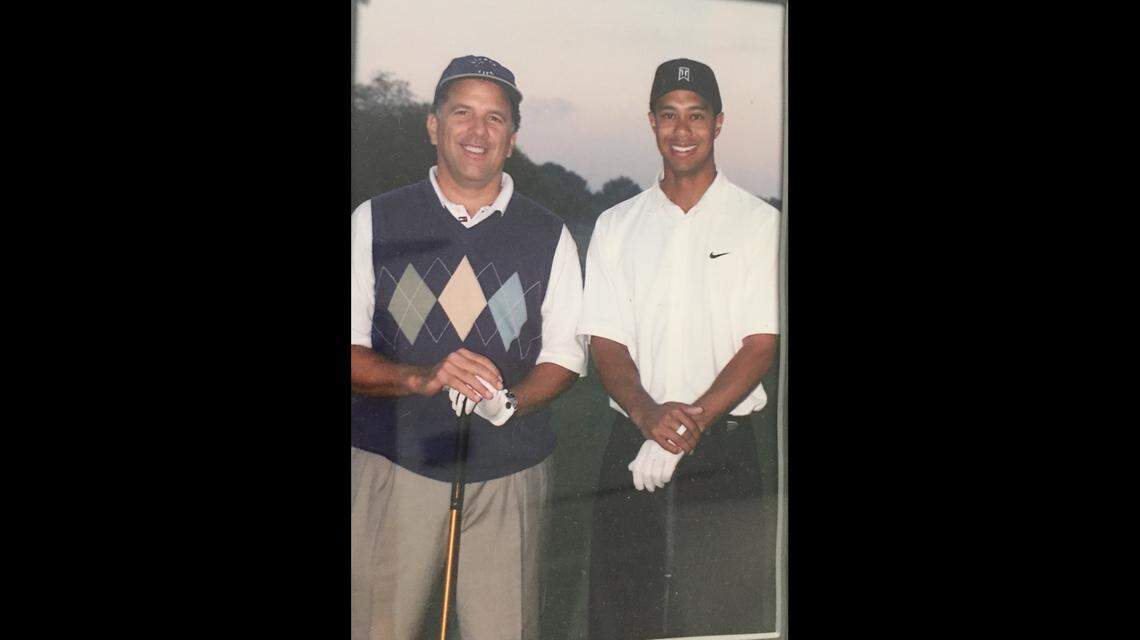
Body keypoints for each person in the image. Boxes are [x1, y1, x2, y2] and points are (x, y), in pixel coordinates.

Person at [350, 55, 586, 640]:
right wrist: (419, 378)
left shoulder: (549, 234)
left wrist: (509, 401)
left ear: (512, 139)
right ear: (433, 125)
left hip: (511, 470)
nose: (477, 132)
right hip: (393, 465)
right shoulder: (375, 220)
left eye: (495, 119)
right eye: (462, 113)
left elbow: (566, 356)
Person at [579, 58, 781, 638]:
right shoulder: (617, 224)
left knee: (722, 623)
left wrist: (686, 426)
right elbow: (607, 342)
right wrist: (648, 417)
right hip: (632, 445)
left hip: (725, 451)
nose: (682, 130)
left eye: (696, 115)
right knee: (623, 620)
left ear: (719, 123)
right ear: (651, 122)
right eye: (669, 115)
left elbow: (759, 343)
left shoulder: (760, 223)